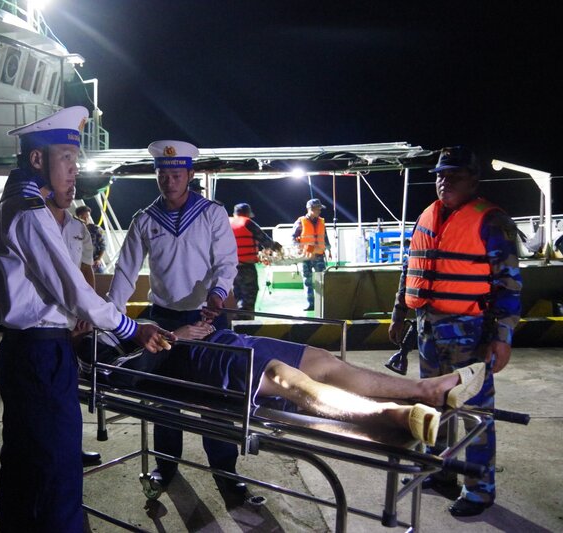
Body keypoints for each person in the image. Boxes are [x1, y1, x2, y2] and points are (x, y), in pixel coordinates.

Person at [0, 106, 169, 532]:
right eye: (66, 159)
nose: (74, 170)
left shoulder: (19, 203)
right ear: (38, 160)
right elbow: (75, 291)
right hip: (39, 353)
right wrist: (131, 328)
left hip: (35, 349)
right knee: (54, 469)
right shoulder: (29, 210)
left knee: (25, 464)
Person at [77, 322, 487, 447]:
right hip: (193, 362)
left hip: (217, 341)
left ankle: (427, 389)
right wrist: (174, 336)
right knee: (287, 380)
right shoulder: (93, 354)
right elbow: (129, 373)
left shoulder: (104, 322)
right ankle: (394, 416)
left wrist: (183, 329)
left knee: (323, 362)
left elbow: (136, 332)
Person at [388, 146, 522, 517]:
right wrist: (399, 312)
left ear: (473, 181)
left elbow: (509, 284)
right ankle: (439, 472)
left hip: (471, 334)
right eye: (440, 176)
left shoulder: (492, 221)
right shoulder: (426, 218)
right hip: (428, 329)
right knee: (432, 402)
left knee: (474, 412)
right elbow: (410, 268)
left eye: (454, 176)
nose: (444, 182)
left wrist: (502, 337)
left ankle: (480, 489)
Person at [107, 140, 241, 492]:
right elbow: (125, 272)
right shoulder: (144, 219)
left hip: (207, 317)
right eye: (162, 174)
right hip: (163, 319)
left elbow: (226, 262)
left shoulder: (212, 213)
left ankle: (226, 474)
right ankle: (165, 467)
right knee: (163, 399)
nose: (169, 181)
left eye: (176, 174)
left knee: (216, 397)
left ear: (190, 175)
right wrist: (109, 317)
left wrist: (217, 293)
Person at [46, 182, 103, 467]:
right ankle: (51, 453)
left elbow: (86, 271)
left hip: (74, 322)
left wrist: (88, 313)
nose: (72, 190)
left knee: (69, 392)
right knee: (47, 396)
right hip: (46, 324)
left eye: (74, 186)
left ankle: (71, 449)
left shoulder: (79, 229)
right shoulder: (36, 224)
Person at [230, 202, 282, 318]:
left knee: (236, 294)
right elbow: (264, 240)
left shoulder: (227, 223)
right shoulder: (247, 223)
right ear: (247, 213)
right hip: (246, 268)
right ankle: (245, 324)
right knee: (249, 295)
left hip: (229, 268)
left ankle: (235, 321)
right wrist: (276, 247)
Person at [292, 198, 332, 311]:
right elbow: (293, 238)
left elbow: (324, 236)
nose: (319, 211)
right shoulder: (300, 222)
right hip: (306, 256)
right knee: (307, 280)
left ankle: (323, 303)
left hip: (319, 255)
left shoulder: (321, 222)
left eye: (320, 209)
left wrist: (328, 248)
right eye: (317, 209)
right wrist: (298, 249)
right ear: (310, 209)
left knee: (323, 280)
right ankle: (311, 304)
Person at [75, 205, 107, 274]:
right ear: (78, 217)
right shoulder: (73, 229)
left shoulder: (96, 229)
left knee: (102, 276)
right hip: (79, 262)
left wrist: (98, 260)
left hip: (94, 262)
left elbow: (103, 246)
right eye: (83, 217)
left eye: (88, 216)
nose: (86, 219)